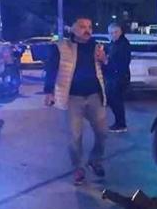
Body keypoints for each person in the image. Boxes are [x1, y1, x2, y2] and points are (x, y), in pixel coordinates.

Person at [44, 16, 109, 185]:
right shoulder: (61, 46)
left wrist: (104, 60)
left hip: (95, 96)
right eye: (82, 26)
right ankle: (78, 168)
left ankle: (95, 160)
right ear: (72, 28)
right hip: (72, 98)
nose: (87, 30)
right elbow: (51, 69)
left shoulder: (98, 46)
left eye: (89, 26)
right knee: (74, 137)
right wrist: (49, 91)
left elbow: (108, 69)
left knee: (102, 133)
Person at [104, 23, 131, 132]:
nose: (113, 35)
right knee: (112, 99)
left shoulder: (124, 44)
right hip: (112, 76)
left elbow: (123, 62)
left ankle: (121, 124)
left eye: (116, 32)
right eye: (111, 33)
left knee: (116, 100)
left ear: (120, 32)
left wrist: (107, 62)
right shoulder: (112, 44)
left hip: (120, 76)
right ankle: (119, 122)